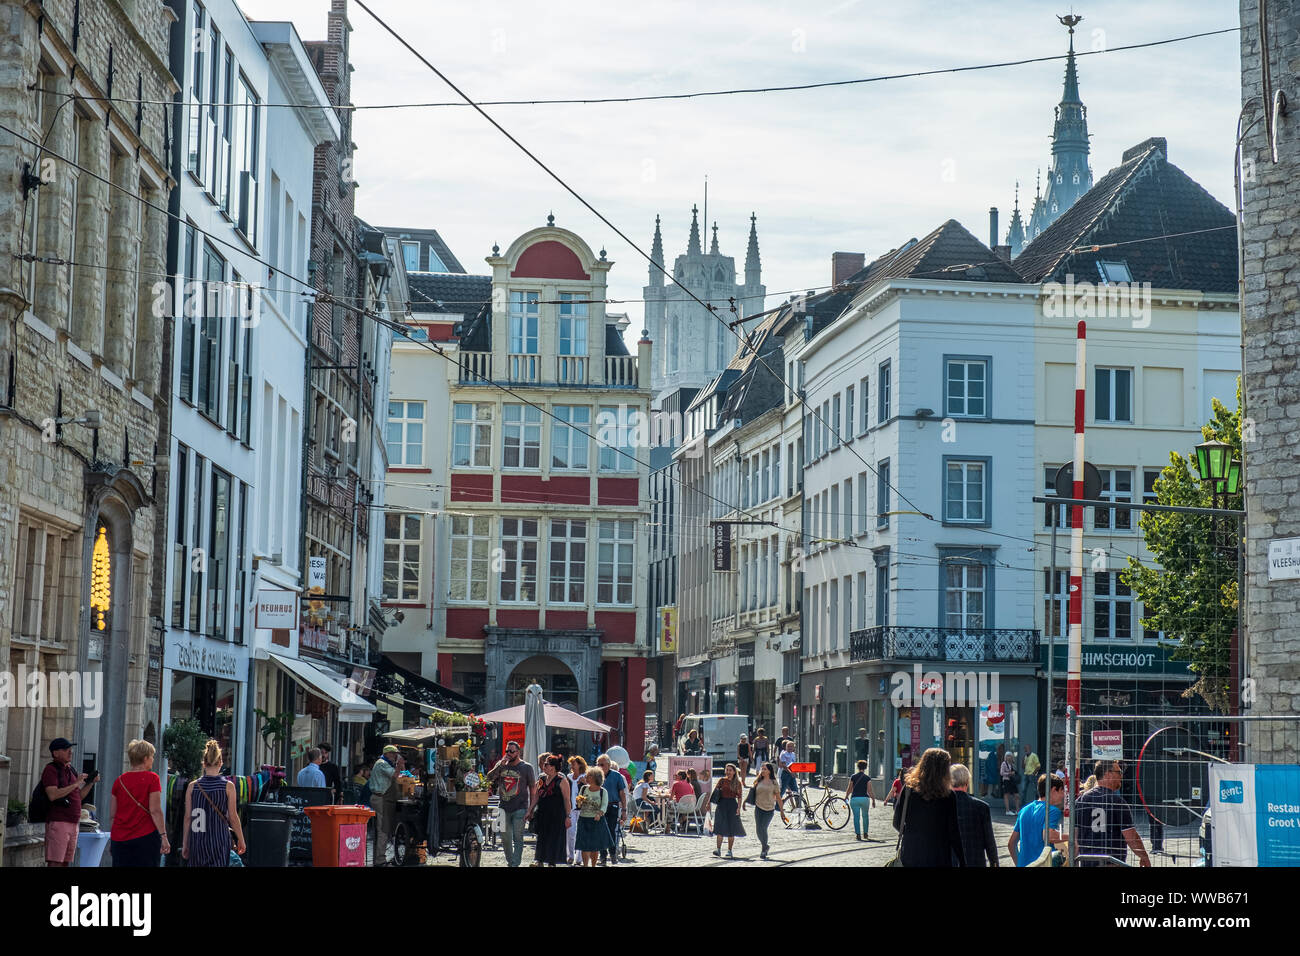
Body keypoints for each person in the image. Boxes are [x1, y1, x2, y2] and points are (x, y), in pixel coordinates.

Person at [891, 747, 966, 867]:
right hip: (938, 855)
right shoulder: (948, 795)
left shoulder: (908, 790)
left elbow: (896, 822)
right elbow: (954, 832)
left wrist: (913, 834)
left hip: (911, 853)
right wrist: (962, 860)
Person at [1075, 760, 1151, 867]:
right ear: (1108, 774)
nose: (1121, 776)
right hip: (1112, 862)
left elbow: (1074, 837)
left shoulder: (1081, 801)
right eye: (1119, 772)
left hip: (1087, 861)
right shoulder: (1117, 802)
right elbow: (1131, 837)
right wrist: (1144, 856)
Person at [182, 739, 246, 867]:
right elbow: (233, 817)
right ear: (220, 763)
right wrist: (241, 839)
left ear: (204, 763)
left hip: (197, 840)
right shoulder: (228, 786)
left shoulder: (192, 787)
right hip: (219, 840)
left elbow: (188, 817)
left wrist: (185, 843)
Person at [109, 739, 170, 867]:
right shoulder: (152, 778)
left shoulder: (119, 781)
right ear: (145, 758)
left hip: (120, 838)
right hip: (145, 837)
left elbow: (113, 815)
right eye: (152, 756)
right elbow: (155, 810)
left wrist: (113, 838)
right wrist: (163, 836)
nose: (153, 759)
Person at [41, 737, 97, 867]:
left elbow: (78, 796)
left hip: (73, 823)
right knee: (56, 861)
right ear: (55, 753)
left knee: (65, 862)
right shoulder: (51, 769)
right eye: (66, 749)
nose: (70, 752)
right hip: (59, 822)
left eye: (70, 749)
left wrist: (90, 783)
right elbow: (53, 795)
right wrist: (76, 783)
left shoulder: (70, 770)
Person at [485, 740, 536, 868]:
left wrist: (531, 809)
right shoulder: (501, 765)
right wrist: (499, 766)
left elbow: (533, 789)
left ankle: (514, 864)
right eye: (507, 751)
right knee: (505, 838)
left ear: (518, 752)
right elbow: (488, 779)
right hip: (503, 806)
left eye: (511, 751)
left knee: (518, 838)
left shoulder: (526, 767)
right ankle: (510, 862)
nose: (508, 754)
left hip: (520, 807)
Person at [1008, 773, 1064, 867]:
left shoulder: (1024, 810)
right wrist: (1071, 837)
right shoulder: (1052, 811)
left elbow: (1011, 844)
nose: (1063, 795)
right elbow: (1048, 836)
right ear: (1054, 790)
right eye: (1062, 791)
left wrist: (1019, 864)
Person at [951, 763, 998, 867]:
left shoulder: (942, 806)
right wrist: (994, 863)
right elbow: (990, 843)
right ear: (967, 783)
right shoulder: (981, 807)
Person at [528, 755, 571, 866]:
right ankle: (539, 861)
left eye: (546, 764)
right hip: (543, 813)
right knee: (542, 837)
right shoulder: (541, 779)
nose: (544, 766)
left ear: (553, 767)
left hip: (557, 815)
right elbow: (536, 796)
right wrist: (530, 810)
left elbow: (567, 800)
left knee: (554, 838)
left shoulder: (562, 781)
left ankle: (552, 862)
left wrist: (568, 816)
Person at [369, 745, 402, 866]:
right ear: (387, 754)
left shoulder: (385, 763)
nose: (394, 756)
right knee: (383, 830)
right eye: (393, 754)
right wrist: (399, 764)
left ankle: (380, 857)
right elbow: (395, 775)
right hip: (380, 799)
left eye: (395, 754)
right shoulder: (382, 763)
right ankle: (380, 860)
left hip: (382, 798)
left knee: (383, 829)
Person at [575, 767, 612, 866]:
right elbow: (579, 805)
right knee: (584, 846)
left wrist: (599, 814)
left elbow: (604, 805)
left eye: (589, 776)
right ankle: (585, 865)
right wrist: (579, 802)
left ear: (596, 777)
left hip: (597, 820)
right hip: (584, 819)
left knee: (595, 847)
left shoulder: (603, 791)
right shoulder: (583, 789)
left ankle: (593, 865)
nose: (586, 777)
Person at [746, 762, 783, 859]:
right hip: (758, 808)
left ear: (769, 771)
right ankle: (765, 846)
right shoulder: (758, 780)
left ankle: (763, 848)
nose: (762, 771)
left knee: (763, 828)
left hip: (769, 809)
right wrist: (745, 802)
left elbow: (778, 798)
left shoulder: (774, 783)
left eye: (765, 769)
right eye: (762, 769)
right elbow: (752, 792)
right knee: (758, 830)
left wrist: (782, 812)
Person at [709, 762, 746, 858]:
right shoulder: (722, 780)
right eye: (727, 770)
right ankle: (718, 849)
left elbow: (740, 797)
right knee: (719, 827)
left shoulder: (737, 783)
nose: (728, 772)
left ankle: (729, 850)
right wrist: (708, 803)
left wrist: (738, 808)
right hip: (721, 805)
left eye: (730, 770)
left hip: (732, 806)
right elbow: (715, 791)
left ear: (734, 772)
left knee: (731, 829)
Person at [596, 753, 627, 864]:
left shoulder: (616, 775)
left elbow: (622, 793)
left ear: (608, 765)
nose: (599, 766)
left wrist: (624, 810)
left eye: (602, 764)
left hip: (612, 805)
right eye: (598, 764)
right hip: (599, 807)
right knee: (601, 831)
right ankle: (603, 857)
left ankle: (613, 853)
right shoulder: (596, 776)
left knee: (610, 831)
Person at [845, 759, 877, 841]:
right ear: (865, 767)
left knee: (856, 817)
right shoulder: (867, 778)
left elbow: (849, 788)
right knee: (865, 816)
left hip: (855, 799)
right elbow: (870, 791)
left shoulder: (853, 777)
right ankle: (865, 833)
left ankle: (858, 834)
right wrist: (873, 800)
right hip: (865, 799)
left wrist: (846, 796)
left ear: (858, 767)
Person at [566, 756, 588, 864]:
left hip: (582, 809)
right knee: (570, 832)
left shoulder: (586, 776)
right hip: (571, 808)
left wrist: (585, 783)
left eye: (573, 764)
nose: (571, 766)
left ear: (580, 765)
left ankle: (578, 858)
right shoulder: (569, 777)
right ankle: (570, 855)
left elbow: (592, 790)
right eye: (571, 764)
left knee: (580, 833)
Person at [999, 748, 1021, 816]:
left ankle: (1018, 810)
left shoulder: (1012, 764)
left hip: (1012, 781)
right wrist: (1009, 773)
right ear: (1005, 757)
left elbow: (1015, 772)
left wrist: (1013, 772)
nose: (1009, 757)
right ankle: (1007, 810)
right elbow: (1001, 773)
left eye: (1010, 756)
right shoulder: (1003, 763)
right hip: (1006, 781)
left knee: (1017, 795)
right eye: (1007, 756)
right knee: (1006, 795)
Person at [1019, 744, 1041, 808]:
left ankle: (1037, 804)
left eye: (1027, 748)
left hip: (1032, 775)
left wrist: (1034, 773)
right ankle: (1023, 805)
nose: (1026, 750)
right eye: (1025, 749)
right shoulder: (1025, 756)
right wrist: (1023, 760)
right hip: (1026, 774)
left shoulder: (1034, 755)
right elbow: (1023, 767)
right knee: (1023, 790)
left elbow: (1038, 766)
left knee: (1035, 790)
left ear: (1030, 749)